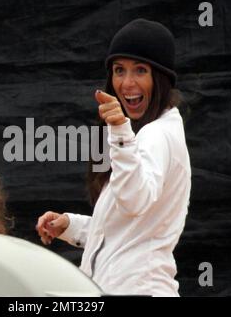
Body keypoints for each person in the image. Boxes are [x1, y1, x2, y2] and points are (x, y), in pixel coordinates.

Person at [36, 18, 191, 296]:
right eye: (119, 70)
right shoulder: (148, 132)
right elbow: (124, 231)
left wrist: (120, 131)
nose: (127, 83)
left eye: (140, 70)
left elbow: (134, 201)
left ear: (161, 78)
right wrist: (71, 225)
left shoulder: (156, 135)